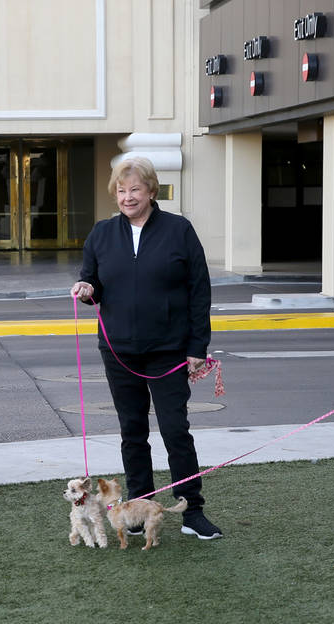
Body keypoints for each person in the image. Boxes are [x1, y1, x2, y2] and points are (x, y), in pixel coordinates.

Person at [71, 157, 222, 540]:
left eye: (135, 189)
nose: (127, 197)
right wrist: (87, 290)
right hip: (119, 351)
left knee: (175, 430)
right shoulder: (102, 234)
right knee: (132, 431)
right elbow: (93, 283)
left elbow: (199, 290)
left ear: (151, 191)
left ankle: (192, 511)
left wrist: (196, 346)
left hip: (169, 351)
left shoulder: (179, 230)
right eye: (121, 191)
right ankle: (138, 507)